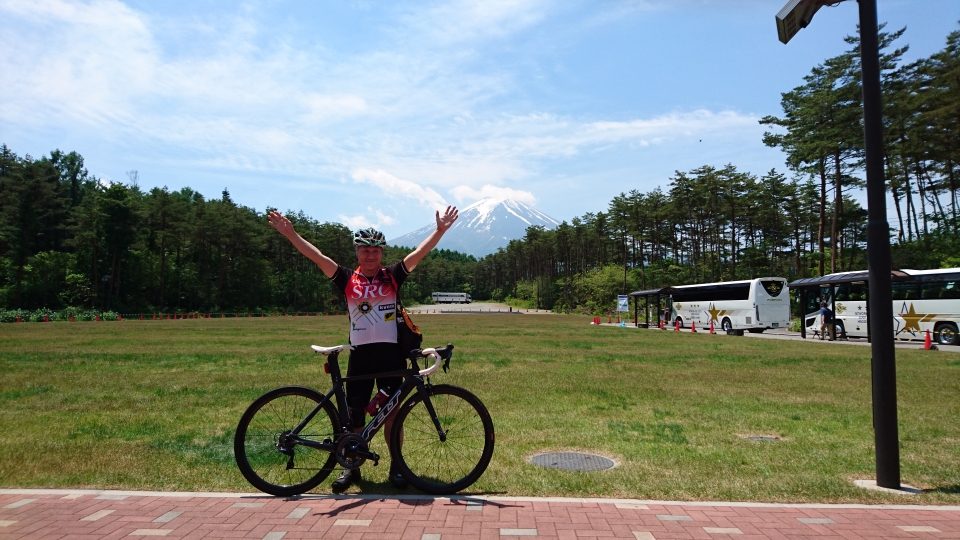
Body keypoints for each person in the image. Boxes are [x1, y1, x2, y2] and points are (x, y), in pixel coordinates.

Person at [267, 206, 459, 493]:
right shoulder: (346, 278)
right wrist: (291, 233)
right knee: (355, 416)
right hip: (360, 355)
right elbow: (316, 256)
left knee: (393, 414)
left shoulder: (392, 276)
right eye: (365, 250)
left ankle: (398, 467)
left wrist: (440, 231)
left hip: (391, 355)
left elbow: (419, 253)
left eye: (376, 251)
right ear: (357, 253)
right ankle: (351, 467)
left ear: (382, 253)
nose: (371, 255)